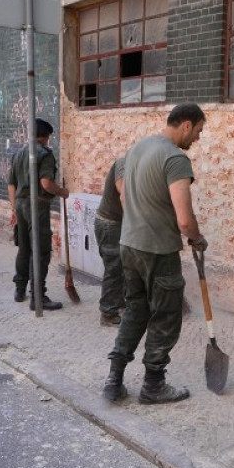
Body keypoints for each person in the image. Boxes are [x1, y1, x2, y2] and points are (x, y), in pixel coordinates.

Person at [102, 103, 208, 404]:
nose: (197, 139)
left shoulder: (138, 148)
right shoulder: (176, 159)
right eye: (198, 131)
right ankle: (153, 385)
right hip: (158, 250)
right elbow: (184, 219)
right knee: (166, 315)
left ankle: (114, 379)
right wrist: (197, 239)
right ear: (186, 125)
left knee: (136, 309)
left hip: (129, 245)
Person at [7, 118, 69, 311]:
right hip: (38, 206)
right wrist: (62, 192)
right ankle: (38, 297)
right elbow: (45, 184)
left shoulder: (18, 154)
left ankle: (20, 289)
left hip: (20, 205)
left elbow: (11, 185)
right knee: (41, 251)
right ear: (45, 137)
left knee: (24, 248)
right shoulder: (44, 154)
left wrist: (14, 208)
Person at [94, 157, 126, 326]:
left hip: (117, 223)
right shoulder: (124, 163)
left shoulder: (137, 165)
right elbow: (124, 195)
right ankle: (108, 313)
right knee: (114, 268)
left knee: (122, 266)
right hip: (109, 224)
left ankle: (119, 303)